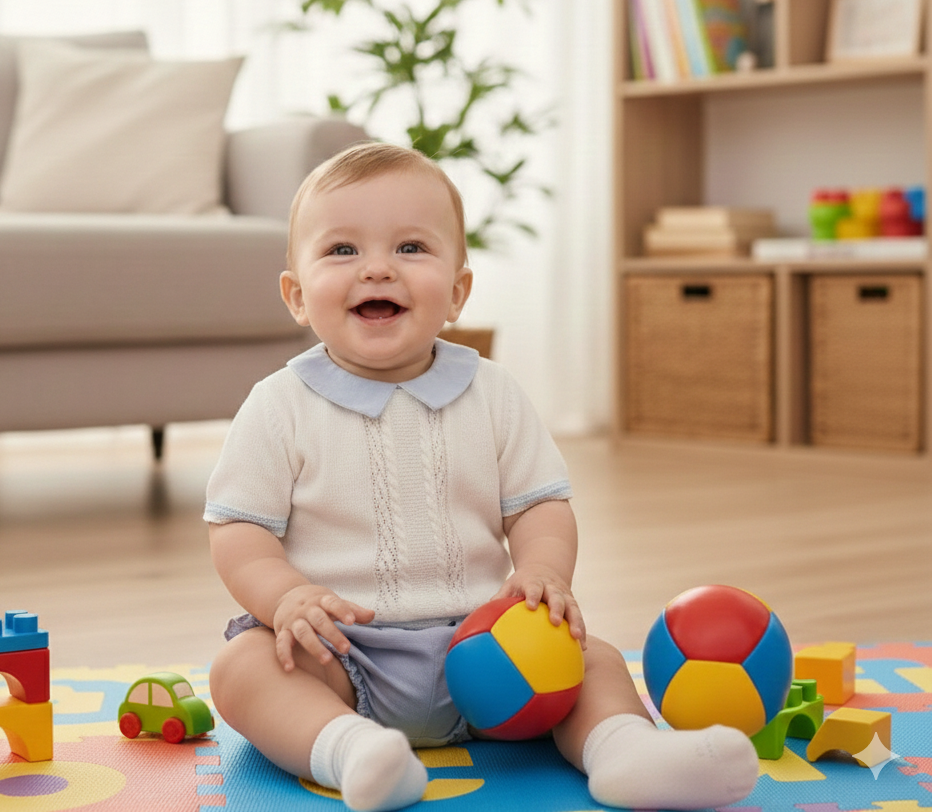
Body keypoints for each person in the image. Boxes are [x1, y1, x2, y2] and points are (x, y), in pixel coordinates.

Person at [205, 142, 759, 812]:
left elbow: (539, 507)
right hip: (343, 656)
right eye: (343, 251)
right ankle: (350, 752)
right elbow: (239, 530)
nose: (377, 268)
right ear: (296, 296)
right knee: (243, 670)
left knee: (595, 660)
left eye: (411, 248)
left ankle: (623, 753)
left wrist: (544, 572)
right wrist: (285, 596)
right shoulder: (279, 404)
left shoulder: (491, 393)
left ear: (459, 291)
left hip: (493, 650)